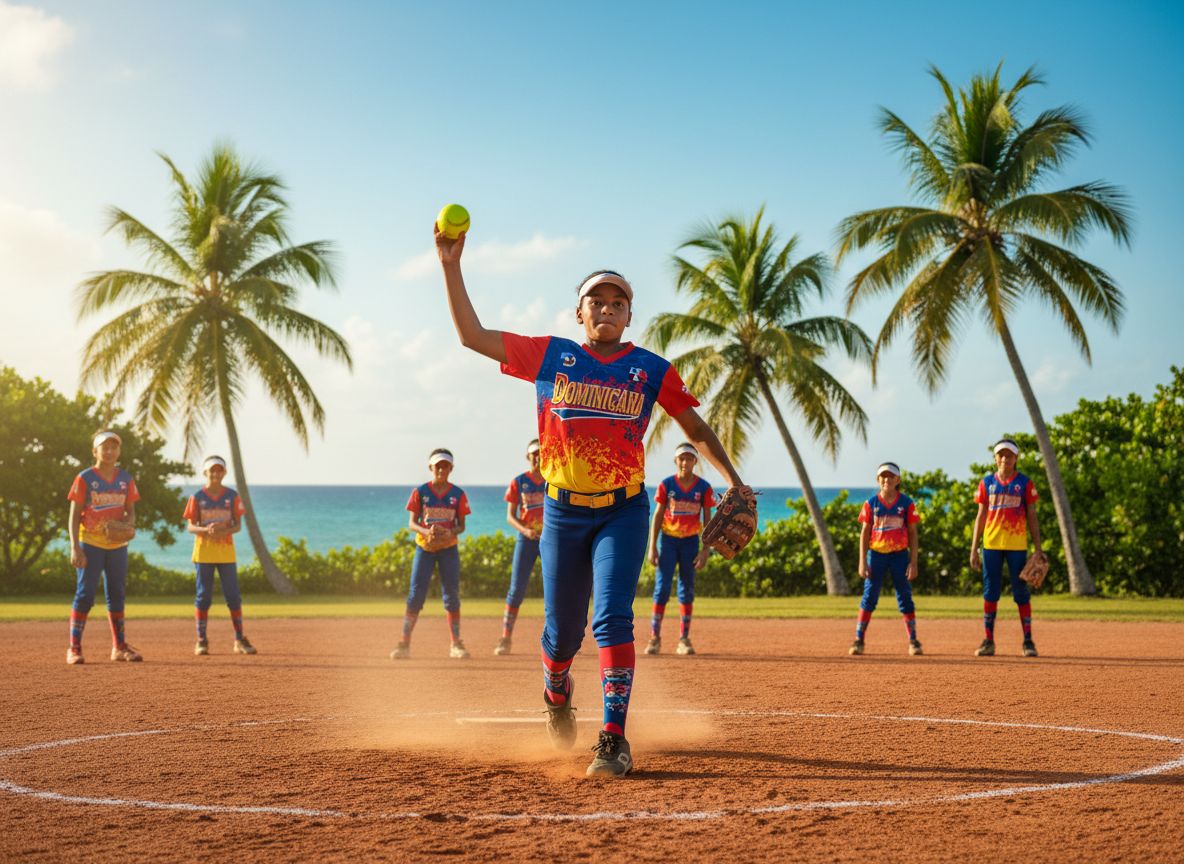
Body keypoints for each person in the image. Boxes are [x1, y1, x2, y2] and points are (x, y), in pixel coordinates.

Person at [435, 223, 747, 778]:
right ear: (578, 313)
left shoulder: (650, 369)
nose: (606, 309)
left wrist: (734, 480)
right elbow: (471, 336)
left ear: (630, 316)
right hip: (562, 512)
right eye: (596, 301)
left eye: (617, 302)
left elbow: (695, 428)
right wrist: (450, 265)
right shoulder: (549, 356)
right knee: (561, 635)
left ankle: (613, 738)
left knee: (612, 618)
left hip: (623, 511)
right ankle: (557, 692)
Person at [65, 430, 142, 664]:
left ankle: (119, 647)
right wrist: (75, 547)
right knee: (85, 595)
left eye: (113, 447)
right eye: (104, 447)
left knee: (116, 595)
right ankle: (74, 648)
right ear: (95, 451)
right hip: (90, 543)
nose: (109, 451)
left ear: (119, 451)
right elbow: (74, 516)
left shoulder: (126, 479)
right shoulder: (85, 478)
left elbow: (131, 511)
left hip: (117, 545)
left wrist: (129, 526)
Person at [391, 448, 471, 660]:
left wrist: (449, 532)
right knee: (415, 595)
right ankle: (404, 644)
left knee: (451, 595)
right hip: (425, 549)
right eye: (438, 466)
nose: (441, 470)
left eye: (445, 466)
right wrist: (427, 532)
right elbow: (412, 523)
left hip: (448, 549)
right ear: (430, 467)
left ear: (451, 468)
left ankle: (456, 644)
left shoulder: (458, 494)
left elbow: (461, 526)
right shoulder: (420, 492)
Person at [970, 438, 1042, 658]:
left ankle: (1028, 641)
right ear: (995, 458)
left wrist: (1038, 548)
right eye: (1001, 455)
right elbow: (981, 516)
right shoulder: (987, 483)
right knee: (990, 593)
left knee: (1021, 592)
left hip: (1016, 545)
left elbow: (1032, 515)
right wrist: (974, 548)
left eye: (1009, 455)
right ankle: (988, 641)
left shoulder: (1025, 483)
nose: (1005, 459)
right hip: (991, 544)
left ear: (1016, 458)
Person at [645, 443, 715, 656]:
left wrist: (705, 550)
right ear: (676, 461)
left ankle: (684, 639)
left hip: (690, 543)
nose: (685, 462)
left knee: (686, 589)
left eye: (689, 458)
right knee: (662, 589)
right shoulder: (667, 485)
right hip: (668, 542)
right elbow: (658, 515)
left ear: (695, 461)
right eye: (681, 458)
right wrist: (652, 547)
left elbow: (708, 520)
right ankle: (654, 638)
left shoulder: (703, 488)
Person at [183, 456, 256, 656]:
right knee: (203, 597)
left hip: (226, 553)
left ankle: (239, 639)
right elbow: (190, 526)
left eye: (219, 470)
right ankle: (201, 640)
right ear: (205, 472)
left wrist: (223, 531)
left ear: (224, 472)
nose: (215, 474)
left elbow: (238, 525)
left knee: (233, 596)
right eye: (212, 470)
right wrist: (207, 530)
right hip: (204, 552)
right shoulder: (197, 497)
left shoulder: (232, 496)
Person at [848, 462, 922, 656]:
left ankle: (913, 640)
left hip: (899, 555)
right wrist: (862, 561)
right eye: (883, 476)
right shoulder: (871, 503)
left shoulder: (906, 503)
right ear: (878, 479)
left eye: (891, 476)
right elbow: (865, 533)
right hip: (876, 555)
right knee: (870, 596)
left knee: (905, 596)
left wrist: (913, 562)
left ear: (898, 480)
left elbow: (913, 533)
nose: (886, 480)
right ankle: (859, 640)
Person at [496, 439, 546, 655]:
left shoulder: (553, 480)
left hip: (549, 540)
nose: (538, 457)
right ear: (528, 457)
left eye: (541, 453)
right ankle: (505, 638)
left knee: (556, 590)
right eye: (534, 454)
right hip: (527, 540)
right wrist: (525, 531)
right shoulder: (519, 482)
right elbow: (510, 516)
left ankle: (562, 640)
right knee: (516, 589)